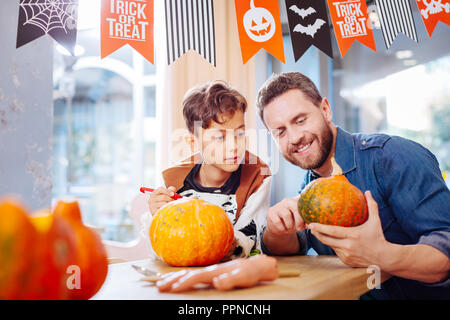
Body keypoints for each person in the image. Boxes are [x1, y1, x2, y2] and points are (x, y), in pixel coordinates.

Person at [256, 72, 450, 299]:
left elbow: (446, 246)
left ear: (325, 110)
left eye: (300, 120)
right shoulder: (309, 186)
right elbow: (293, 245)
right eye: (280, 131)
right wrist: (276, 230)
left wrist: (382, 255)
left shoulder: (393, 157)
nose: (295, 136)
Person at [148, 80, 271, 259]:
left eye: (240, 134)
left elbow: (246, 244)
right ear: (193, 143)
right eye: (219, 138)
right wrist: (157, 218)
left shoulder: (258, 177)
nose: (234, 146)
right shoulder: (173, 181)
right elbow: (160, 252)